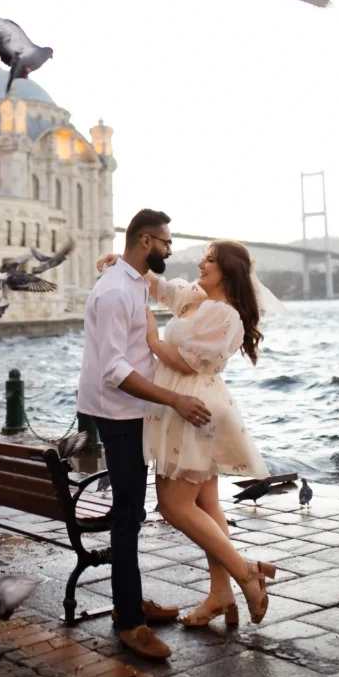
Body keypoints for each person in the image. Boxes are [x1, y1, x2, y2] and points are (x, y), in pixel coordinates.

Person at [97, 239, 280, 628]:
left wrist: (152, 342)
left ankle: (245, 573)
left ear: (227, 271)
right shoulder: (197, 297)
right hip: (188, 405)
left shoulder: (225, 314)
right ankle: (221, 594)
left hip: (191, 407)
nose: (201, 263)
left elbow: (186, 363)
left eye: (210, 260)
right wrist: (124, 263)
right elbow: (159, 287)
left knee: (174, 507)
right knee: (208, 505)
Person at [77, 209, 211, 660]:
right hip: (119, 414)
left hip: (129, 411)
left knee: (131, 512)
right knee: (129, 513)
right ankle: (130, 622)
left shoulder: (128, 281)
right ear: (147, 242)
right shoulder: (116, 292)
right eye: (167, 242)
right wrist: (174, 400)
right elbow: (116, 370)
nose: (172, 250)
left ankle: (129, 602)